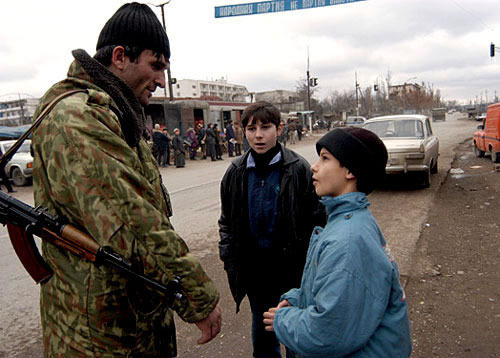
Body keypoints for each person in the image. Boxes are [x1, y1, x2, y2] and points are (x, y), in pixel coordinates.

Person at [31, 3, 221, 356]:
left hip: (125, 324)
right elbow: (133, 225)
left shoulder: (115, 114)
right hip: (98, 338)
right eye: (156, 65)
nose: (162, 80)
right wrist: (197, 296)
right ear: (120, 57)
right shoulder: (78, 119)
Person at [263, 127, 412, 357]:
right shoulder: (347, 220)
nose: (314, 166)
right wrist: (298, 300)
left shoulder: (348, 241)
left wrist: (284, 320)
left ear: (350, 171)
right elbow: (334, 291)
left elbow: (327, 334)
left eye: (325, 158)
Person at [218, 101, 326, 358]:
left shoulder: (298, 169)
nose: (258, 135)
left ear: (278, 129)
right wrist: (229, 256)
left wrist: (313, 267)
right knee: (264, 341)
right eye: (251, 128)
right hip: (256, 274)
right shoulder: (235, 172)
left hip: (293, 273)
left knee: (297, 340)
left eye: (265, 127)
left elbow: (317, 221)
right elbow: (227, 222)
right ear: (242, 130)